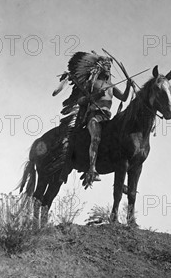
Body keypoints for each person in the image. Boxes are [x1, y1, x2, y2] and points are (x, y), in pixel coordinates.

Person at [53, 52, 131, 188]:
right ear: (100, 68)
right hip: (93, 117)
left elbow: (124, 98)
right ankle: (92, 169)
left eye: (109, 67)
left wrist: (129, 86)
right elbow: (81, 100)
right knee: (96, 138)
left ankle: (121, 174)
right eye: (106, 66)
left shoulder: (111, 86)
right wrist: (96, 95)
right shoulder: (92, 83)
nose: (108, 69)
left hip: (107, 118)